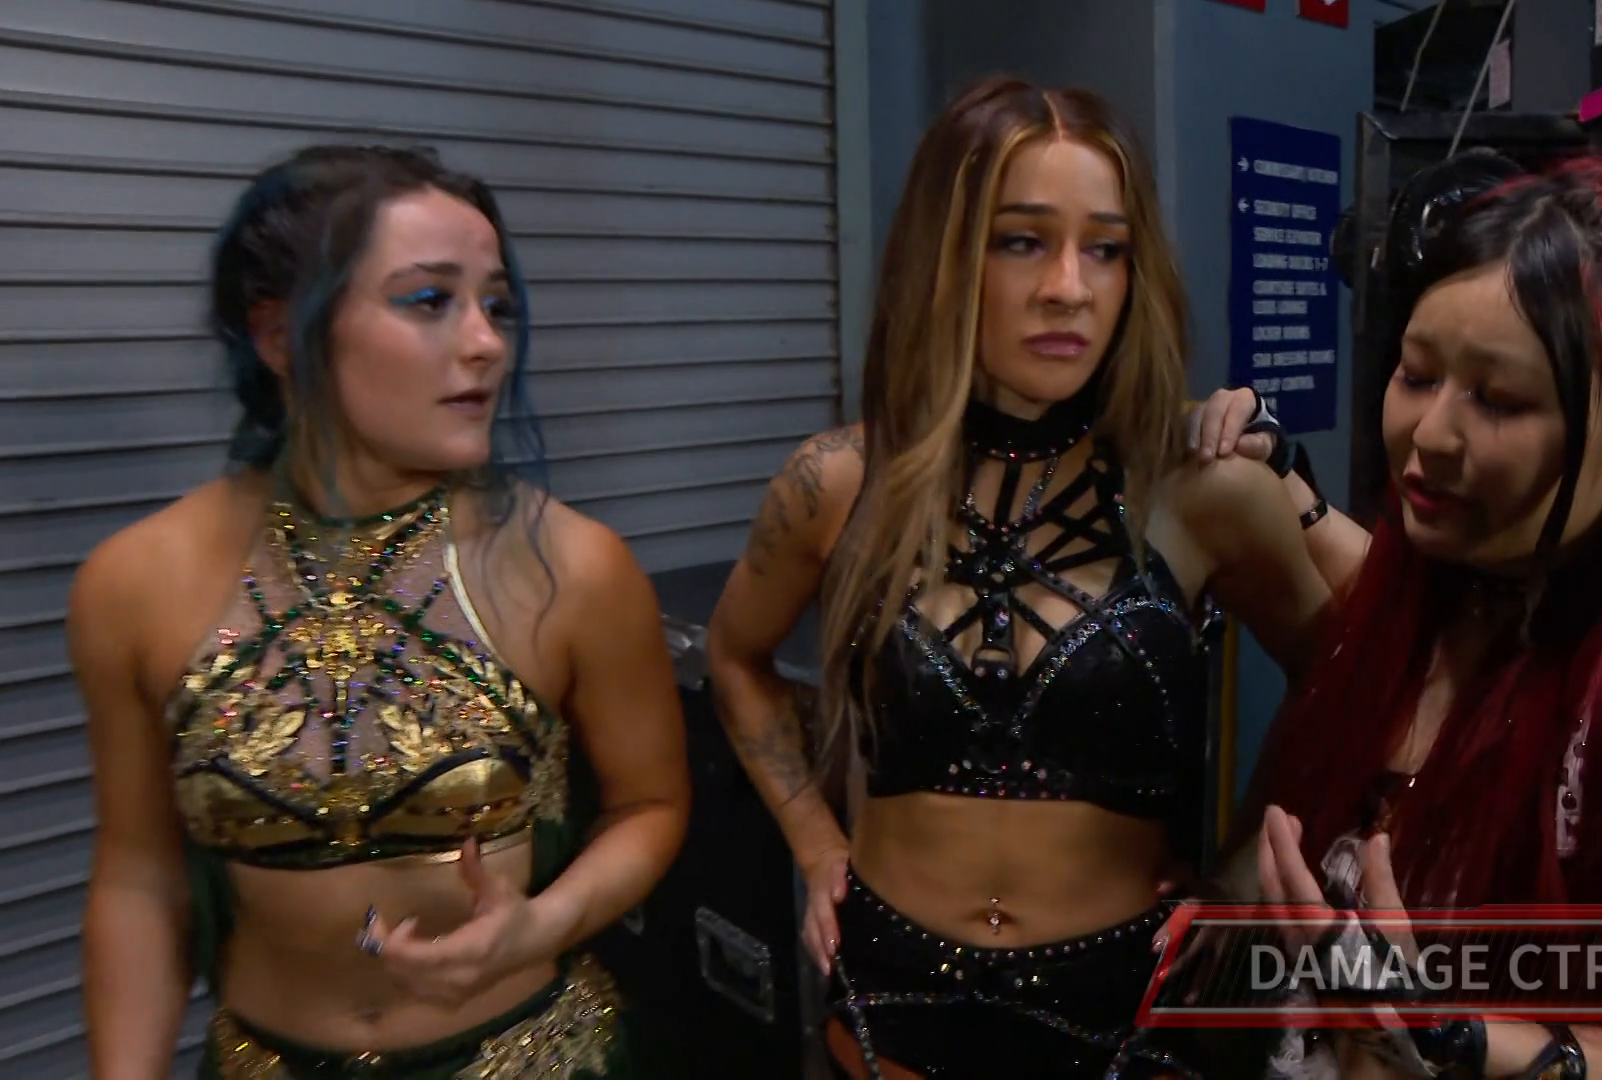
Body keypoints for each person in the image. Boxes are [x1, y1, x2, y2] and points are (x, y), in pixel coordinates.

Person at [706, 77, 1331, 1079]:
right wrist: (816, 843)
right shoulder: (837, 483)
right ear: (945, 256)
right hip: (888, 999)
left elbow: (1347, 690)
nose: (1068, 287)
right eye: (1022, 241)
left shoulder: (1202, 491)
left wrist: (1243, 872)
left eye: (1106, 249)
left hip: (1127, 1011)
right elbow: (736, 660)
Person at [1190, 154, 1602, 1079]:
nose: (1429, 436)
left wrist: (1463, 1036)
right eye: (1417, 375)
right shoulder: (1437, 597)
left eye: (1498, 400)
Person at [74, 144, 691, 1079]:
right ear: (280, 336)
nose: (485, 343)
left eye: (497, 305)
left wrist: (544, 923)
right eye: (429, 300)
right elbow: (138, 876)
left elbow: (652, 803)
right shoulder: (134, 583)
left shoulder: (574, 567)